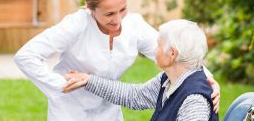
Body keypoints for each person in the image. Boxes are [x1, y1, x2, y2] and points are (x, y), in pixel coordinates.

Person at [14, 0, 219, 121]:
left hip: (109, 110)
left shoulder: (134, 25)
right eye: (109, 14)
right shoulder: (76, 24)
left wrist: (208, 81)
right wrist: (60, 86)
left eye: (123, 9)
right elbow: (26, 56)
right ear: (90, 9)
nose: (118, 19)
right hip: (70, 111)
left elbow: (181, 53)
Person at [63, 19, 219, 121]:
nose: (154, 50)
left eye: (158, 45)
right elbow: (135, 96)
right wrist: (89, 80)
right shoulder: (169, 80)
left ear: (172, 54)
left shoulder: (194, 101)